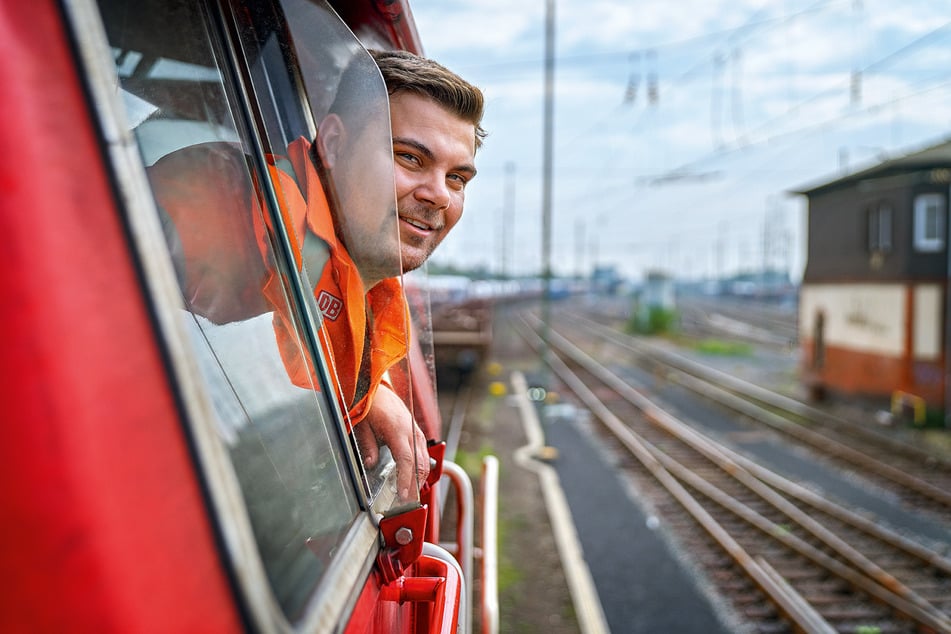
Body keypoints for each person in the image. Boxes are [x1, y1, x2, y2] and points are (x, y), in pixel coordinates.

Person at [149, 49, 486, 502]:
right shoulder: (219, 198)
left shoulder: (359, 267)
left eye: (458, 178)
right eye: (409, 158)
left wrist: (370, 389)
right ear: (331, 144)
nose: (439, 196)